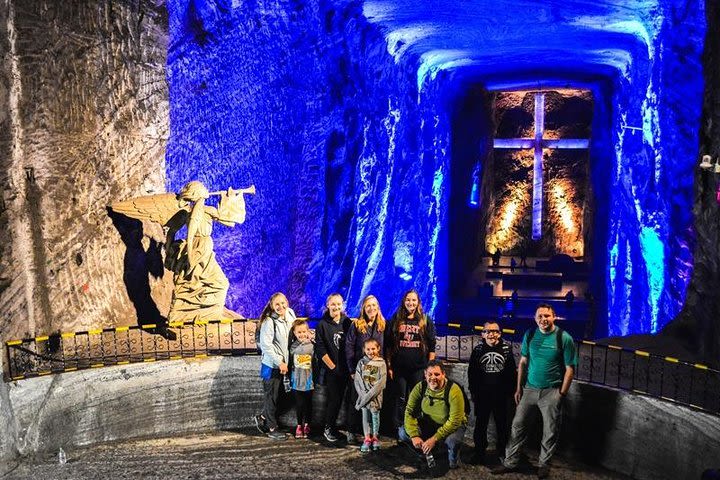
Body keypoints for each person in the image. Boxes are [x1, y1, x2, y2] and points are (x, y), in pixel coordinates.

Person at [492, 304, 578, 479]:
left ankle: (544, 465)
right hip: (529, 389)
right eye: (540, 316)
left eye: (547, 316)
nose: (543, 319)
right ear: (535, 318)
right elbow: (523, 363)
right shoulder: (530, 335)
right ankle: (511, 462)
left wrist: (561, 393)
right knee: (517, 426)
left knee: (550, 431)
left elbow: (570, 368)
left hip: (552, 391)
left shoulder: (564, 338)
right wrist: (519, 388)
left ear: (554, 317)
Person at [385, 289, 437, 434]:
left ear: (418, 302)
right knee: (400, 399)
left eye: (413, 300)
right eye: (408, 300)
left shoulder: (425, 320)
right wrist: (389, 366)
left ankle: (416, 427)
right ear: (404, 301)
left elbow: (431, 344)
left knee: (417, 398)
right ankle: (400, 428)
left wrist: (430, 368)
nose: (411, 303)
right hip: (399, 368)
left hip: (419, 368)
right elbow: (389, 344)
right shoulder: (396, 318)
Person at [400, 360, 468, 469]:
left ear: (443, 374)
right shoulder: (420, 387)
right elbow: (409, 412)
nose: (433, 378)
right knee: (403, 432)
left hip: (451, 426)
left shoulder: (454, 390)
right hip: (430, 423)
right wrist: (414, 435)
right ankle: (425, 452)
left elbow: (454, 421)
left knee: (452, 441)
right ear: (425, 374)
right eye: (429, 374)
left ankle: (453, 459)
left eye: (437, 374)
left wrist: (434, 439)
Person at [468, 321, 516, 464]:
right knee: (480, 425)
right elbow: (472, 373)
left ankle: (501, 452)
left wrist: (510, 393)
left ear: (500, 333)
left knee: (502, 426)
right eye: (488, 331)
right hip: (482, 396)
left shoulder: (507, 350)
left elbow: (512, 373)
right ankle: (479, 453)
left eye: (495, 331)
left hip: (501, 396)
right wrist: (473, 392)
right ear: (483, 334)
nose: (491, 334)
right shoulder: (477, 350)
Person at [254, 292, 296, 440]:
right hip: (271, 366)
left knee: (282, 397)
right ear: (272, 306)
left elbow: (295, 332)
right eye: (277, 304)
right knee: (272, 396)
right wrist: (279, 362)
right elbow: (266, 345)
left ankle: (264, 417)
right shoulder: (268, 321)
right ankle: (272, 428)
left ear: (287, 302)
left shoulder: (290, 314)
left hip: (285, 365)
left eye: (283, 303)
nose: (281, 306)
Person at [345, 295, 386, 443]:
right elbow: (349, 347)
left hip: (376, 371)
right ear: (363, 308)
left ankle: (373, 433)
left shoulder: (382, 325)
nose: (371, 308)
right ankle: (351, 430)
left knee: (374, 400)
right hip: (359, 370)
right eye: (368, 305)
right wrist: (351, 370)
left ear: (378, 307)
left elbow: (385, 348)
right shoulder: (356, 325)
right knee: (355, 399)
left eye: (374, 305)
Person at [315, 292, 352, 443]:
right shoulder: (322, 325)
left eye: (339, 304)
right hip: (333, 370)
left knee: (348, 399)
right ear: (328, 305)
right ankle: (328, 427)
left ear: (342, 305)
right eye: (333, 304)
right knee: (334, 400)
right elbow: (320, 349)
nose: (336, 307)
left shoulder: (347, 322)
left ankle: (349, 429)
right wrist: (333, 367)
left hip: (348, 369)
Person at [354, 338, 387, 453]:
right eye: (368, 349)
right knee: (366, 418)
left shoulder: (381, 363)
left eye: (373, 349)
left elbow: (381, 383)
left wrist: (369, 395)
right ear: (364, 350)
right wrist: (363, 395)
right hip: (363, 397)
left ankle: (375, 437)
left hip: (375, 398)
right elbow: (358, 380)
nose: (370, 351)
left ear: (378, 349)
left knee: (375, 417)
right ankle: (367, 437)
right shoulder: (361, 363)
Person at [289, 319, 314, 439]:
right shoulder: (292, 347)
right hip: (296, 381)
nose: (302, 334)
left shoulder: (312, 346)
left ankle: (307, 425)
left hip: (309, 381)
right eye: (299, 332)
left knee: (309, 404)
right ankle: (299, 425)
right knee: (299, 404)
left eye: (304, 331)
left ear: (308, 331)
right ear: (294, 333)